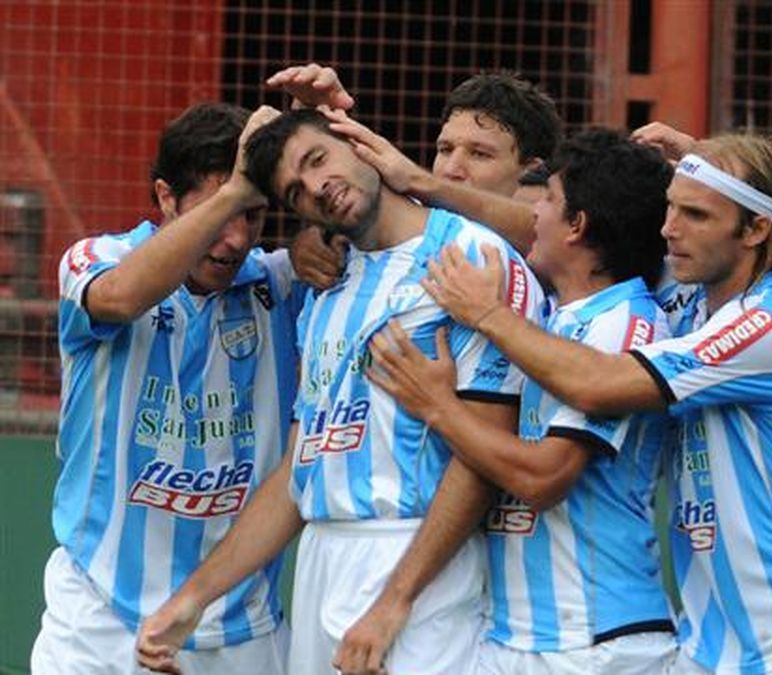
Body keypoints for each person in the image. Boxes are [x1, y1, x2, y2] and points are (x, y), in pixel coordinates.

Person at [405, 133, 772, 673]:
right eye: (670, 208)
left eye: (696, 215)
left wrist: (486, 317)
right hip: (716, 649)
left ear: (756, 229)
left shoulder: (768, 323)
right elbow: (574, 232)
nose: (669, 229)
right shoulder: (690, 296)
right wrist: (412, 191)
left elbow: (596, 384)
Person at [135, 107, 545, 675]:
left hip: (415, 567)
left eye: (317, 158)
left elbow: (481, 459)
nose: (315, 187)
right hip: (320, 564)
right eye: (295, 192)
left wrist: (393, 602)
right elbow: (299, 473)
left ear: (358, 144)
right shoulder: (327, 290)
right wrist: (193, 599)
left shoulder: (472, 257)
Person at [367, 128, 678, 673]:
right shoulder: (552, 320)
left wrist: (439, 406)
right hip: (514, 635)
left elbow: (544, 477)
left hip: (597, 643)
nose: (532, 213)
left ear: (578, 226)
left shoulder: (625, 323)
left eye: (548, 200)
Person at [31, 103, 301, 674]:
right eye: (217, 212)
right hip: (98, 624)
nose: (235, 240)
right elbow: (119, 299)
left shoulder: (280, 285)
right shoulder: (98, 260)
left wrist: (321, 126)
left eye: (252, 215)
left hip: (240, 633)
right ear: (165, 197)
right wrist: (238, 189)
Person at [271, 63, 564, 285]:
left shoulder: (567, 247)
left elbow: (539, 230)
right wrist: (311, 240)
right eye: (445, 149)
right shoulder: (414, 224)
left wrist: (417, 180)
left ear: (531, 170)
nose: (451, 170)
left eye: (479, 154)